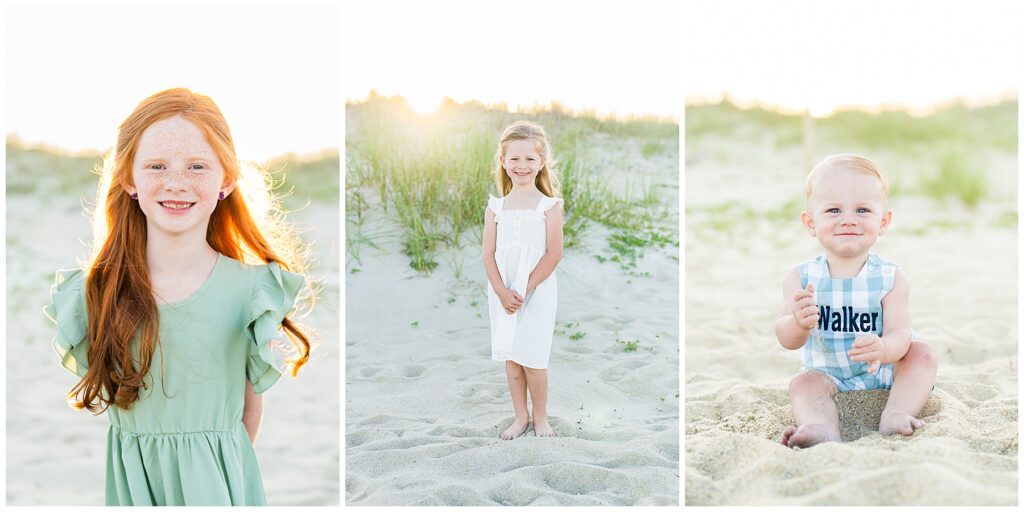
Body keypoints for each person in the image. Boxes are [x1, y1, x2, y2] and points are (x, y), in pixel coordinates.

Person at [44, 88, 312, 505]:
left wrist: (212, 474)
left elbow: (248, 413)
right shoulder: (95, 290)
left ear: (226, 179)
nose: (176, 182)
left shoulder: (250, 290)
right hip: (136, 488)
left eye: (197, 166)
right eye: (156, 165)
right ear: (128, 178)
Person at [775, 153, 938, 449]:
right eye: (834, 210)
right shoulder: (800, 277)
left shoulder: (891, 277)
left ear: (883, 221)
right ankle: (821, 427)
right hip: (827, 376)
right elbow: (786, 339)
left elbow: (900, 331)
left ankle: (897, 412)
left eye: (862, 210)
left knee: (922, 354)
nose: (848, 219)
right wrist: (798, 323)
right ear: (810, 223)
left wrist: (884, 348)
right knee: (802, 384)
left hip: (885, 371)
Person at [482, 121, 564, 440]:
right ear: (502, 161)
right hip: (503, 293)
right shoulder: (496, 207)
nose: (522, 166)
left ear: (541, 162)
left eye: (530, 159)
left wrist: (526, 287)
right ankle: (520, 417)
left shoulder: (549, 207)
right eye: (514, 159)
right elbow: (488, 254)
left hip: (537, 291)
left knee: (533, 358)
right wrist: (503, 291)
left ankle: (540, 418)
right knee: (512, 358)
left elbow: (554, 253)